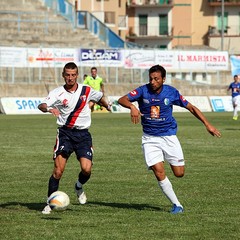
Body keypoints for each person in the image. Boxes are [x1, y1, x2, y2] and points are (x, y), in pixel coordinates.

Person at [118, 65, 221, 214]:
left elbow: (191, 107)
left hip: (169, 136)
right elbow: (122, 99)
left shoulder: (171, 92)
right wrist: (132, 107)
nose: (153, 82)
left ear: (163, 79)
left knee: (179, 173)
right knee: (158, 171)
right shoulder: (142, 90)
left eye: (156, 79)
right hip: (150, 138)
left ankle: (166, 160)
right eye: (151, 79)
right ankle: (177, 204)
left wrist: (208, 125)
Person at [38, 62, 111, 214]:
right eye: (67, 75)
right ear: (63, 75)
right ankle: (49, 203)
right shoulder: (57, 92)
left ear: (77, 75)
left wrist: (107, 105)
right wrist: (49, 108)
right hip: (65, 134)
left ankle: (78, 186)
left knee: (86, 169)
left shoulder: (86, 90)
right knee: (58, 171)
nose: (70, 78)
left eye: (73, 75)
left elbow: (99, 97)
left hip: (83, 135)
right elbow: (42, 105)